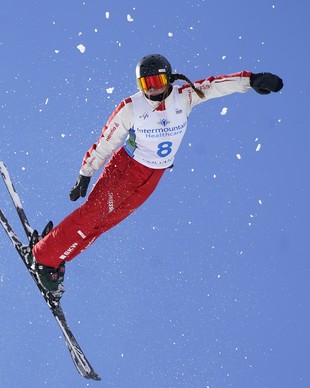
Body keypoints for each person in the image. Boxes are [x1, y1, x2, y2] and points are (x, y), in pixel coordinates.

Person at [27, 53, 283, 297]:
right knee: (92, 215)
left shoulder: (184, 96)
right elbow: (107, 140)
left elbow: (215, 86)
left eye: (157, 82)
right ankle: (43, 256)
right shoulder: (132, 107)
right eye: (145, 84)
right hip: (127, 169)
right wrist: (86, 173)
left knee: (104, 223)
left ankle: (55, 253)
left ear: (169, 79)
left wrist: (250, 80)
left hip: (154, 176)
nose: (152, 90)